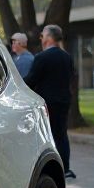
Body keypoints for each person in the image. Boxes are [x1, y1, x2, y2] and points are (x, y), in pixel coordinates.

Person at [26, 23, 76, 179]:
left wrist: (17, 84)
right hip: (64, 101)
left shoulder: (42, 57)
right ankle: (65, 168)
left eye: (42, 36)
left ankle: (49, 168)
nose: (41, 39)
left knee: (46, 135)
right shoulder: (67, 57)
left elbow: (31, 80)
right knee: (61, 134)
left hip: (47, 102)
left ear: (48, 37)